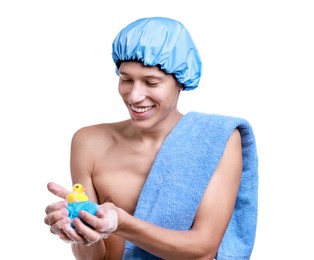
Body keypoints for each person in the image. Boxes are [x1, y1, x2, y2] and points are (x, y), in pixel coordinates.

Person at [44, 17, 258, 260]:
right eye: (125, 79)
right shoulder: (88, 142)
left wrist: (121, 223)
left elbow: (203, 250)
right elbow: (94, 257)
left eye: (151, 82)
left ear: (181, 80)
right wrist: (77, 230)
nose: (134, 96)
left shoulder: (218, 141)